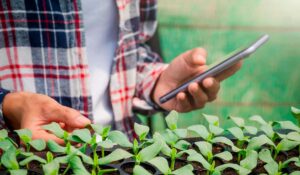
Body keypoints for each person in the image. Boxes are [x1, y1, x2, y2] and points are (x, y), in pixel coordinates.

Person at [0, 0, 241, 144]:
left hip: (120, 150)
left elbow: (131, 50)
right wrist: (10, 105)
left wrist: (157, 83)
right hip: (24, 156)